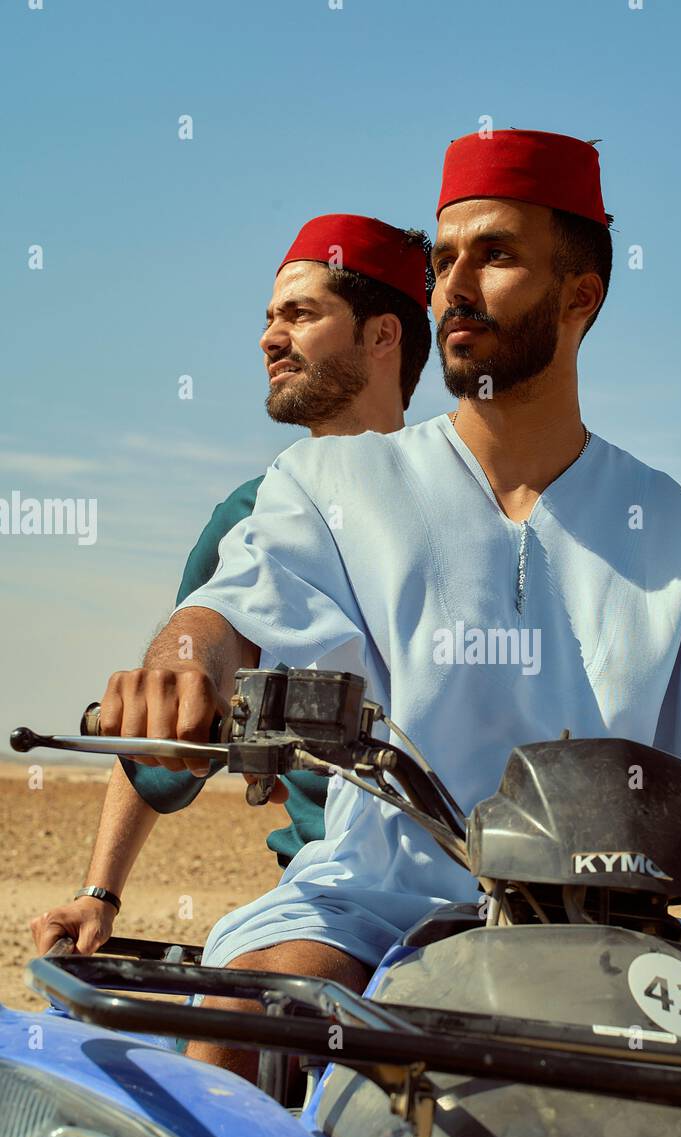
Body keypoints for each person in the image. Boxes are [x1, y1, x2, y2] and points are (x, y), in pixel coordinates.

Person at [90, 131, 681, 1137]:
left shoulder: (678, 527)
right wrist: (182, 662)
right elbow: (233, 608)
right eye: (444, 260)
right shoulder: (335, 489)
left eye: (496, 255)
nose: (455, 286)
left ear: (580, 296)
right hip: (386, 891)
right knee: (247, 1032)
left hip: (641, 919)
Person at [29, 214, 431, 959]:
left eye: (300, 314)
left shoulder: (467, 500)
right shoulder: (252, 512)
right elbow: (161, 720)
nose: (268, 339)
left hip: (484, 886)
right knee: (238, 1036)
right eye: (270, 317)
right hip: (327, 893)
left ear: (382, 337)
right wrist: (99, 892)